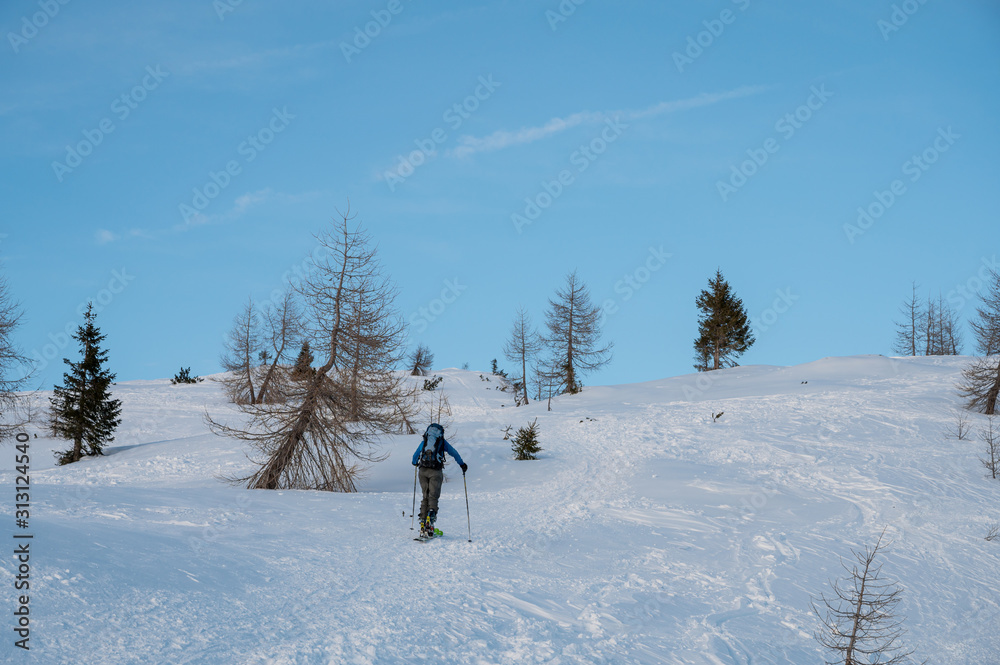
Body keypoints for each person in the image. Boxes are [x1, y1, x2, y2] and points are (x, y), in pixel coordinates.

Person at [411, 423, 467, 538]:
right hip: (435, 471)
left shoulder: (425, 442)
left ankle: (422, 522)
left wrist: (415, 462)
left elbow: (415, 456)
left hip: (423, 470)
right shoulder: (442, 443)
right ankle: (430, 523)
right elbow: (454, 453)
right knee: (433, 497)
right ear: (441, 433)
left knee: (425, 496)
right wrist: (462, 464)